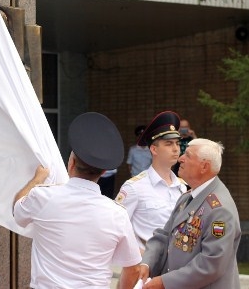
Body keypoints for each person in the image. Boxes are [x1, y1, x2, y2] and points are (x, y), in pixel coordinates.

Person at [13, 112, 141, 289]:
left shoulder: (42, 197)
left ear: (71, 163)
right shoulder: (117, 214)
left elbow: (17, 211)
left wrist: (37, 179)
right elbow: (133, 268)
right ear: (103, 172)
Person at [139, 138, 241, 289]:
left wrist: (164, 282)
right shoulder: (188, 196)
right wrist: (146, 263)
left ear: (204, 166)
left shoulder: (220, 210)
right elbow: (164, 236)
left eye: (188, 155)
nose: (181, 158)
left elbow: (211, 264)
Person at [115, 111, 187, 254]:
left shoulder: (182, 187)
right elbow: (115, 228)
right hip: (146, 268)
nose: (176, 149)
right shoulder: (134, 187)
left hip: (176, 267)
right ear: (154, 149)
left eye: (177, 143)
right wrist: (137, 255)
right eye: (169, 143)